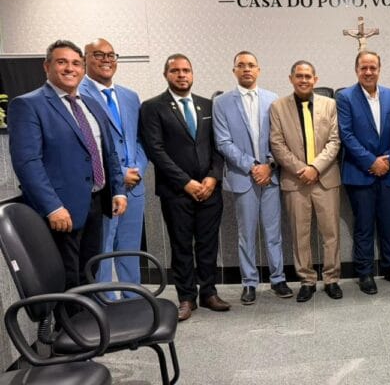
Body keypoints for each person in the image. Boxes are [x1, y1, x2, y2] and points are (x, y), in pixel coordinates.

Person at [8, 39, 127, 291]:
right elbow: (28, 163)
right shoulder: (28, 105)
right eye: (62, 62)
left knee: (90, 271)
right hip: (62, 210)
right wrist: (52, 207)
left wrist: (118, 190)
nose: (70, 68)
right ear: (47, 66)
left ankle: (88, 314)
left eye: (75, 63)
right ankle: (71, 318)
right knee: (67, 278)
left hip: (96, 203)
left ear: (83, 68)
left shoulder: (91, 104)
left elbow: (109, 153)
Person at [140, 54, 229, 321]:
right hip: (176, 191)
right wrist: (185, 182)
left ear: (192, 74)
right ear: (166, 74)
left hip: (209, 189)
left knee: (208, 244)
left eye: (186, 70)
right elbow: (156, 150)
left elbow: (218, 145)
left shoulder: (208, 105)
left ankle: (209, 292)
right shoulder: (152, 107)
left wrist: (213, 177)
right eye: (175, 71)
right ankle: (186, 298)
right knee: (181, 246)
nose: (181, 75)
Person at [212, 51, 293, 304]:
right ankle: (249, 282)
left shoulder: (273, 99)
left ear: (258, 70)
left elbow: (280, 138)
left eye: (251, 65)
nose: (246, 69)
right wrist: (252, 166)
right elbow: (223, 142)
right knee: (246, 234)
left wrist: (269, 165)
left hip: (270, 176)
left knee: (273, 232)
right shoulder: (221, 102)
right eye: (241, 65)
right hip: (243, 178)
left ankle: (278, 279)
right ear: (234, 70)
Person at [269, 61, 343, 302]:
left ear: (315, 79)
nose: (303, 80)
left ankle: (331, 279)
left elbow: (334, 141)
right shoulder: (278, 107)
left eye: (308, 76)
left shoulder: (330, 104)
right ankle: (307, 280)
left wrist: (315, 168)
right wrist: (303, 169)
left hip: (325, 178)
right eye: (299, 76)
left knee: (331, 233)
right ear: (291, 79)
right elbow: (277, 144)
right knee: (300, 234)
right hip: (295, 180)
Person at [79, 38, 146, 297]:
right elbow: (86, 146)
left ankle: (133, 299)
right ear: (85, 59)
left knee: (130, 249)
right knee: (103, 251)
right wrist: (119, 174)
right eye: (98, 55)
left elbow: (139, 140)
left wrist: (137, 169)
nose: (106, 60)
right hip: (104, 187)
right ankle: (104, 303)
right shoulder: (79, 94)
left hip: (134, 187)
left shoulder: (130, 96)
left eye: (111, 55)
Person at [336, 51, 390, 295]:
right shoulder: (345, 97)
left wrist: (387, 160)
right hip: (360, 172)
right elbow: (346, 135)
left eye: (373, 67)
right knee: (364, 225)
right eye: (364, 68)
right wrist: (371, 161)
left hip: (388, 171)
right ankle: (365, 272)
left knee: (389, 223)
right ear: (356, 70)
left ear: (379, 69)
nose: (368, 72)